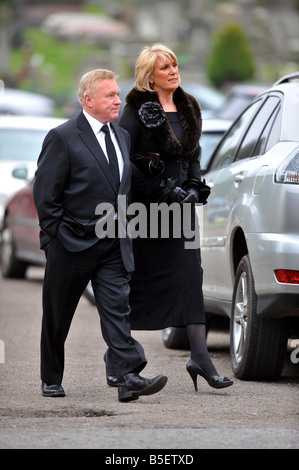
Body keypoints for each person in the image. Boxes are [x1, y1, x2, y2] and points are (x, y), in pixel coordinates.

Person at [33, 69, 167, 402]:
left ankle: (126, 376)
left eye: (118, 94)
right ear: (88, 99)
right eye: (110, 95)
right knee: (57, 314)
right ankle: (51, 377)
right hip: (71, 244)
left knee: (117, 309)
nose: (118, 101)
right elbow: (45, 194)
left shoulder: (121, 135)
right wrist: (58, 236)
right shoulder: (62, 136)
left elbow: (122, 184)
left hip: (112, 242)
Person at [115, 44, 233, 392]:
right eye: (164, 67)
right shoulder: (134, 110)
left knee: (189, 277)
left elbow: (193, 154)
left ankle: (200, 357)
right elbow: (127, 161)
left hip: (182, 211)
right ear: (150, 76)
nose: (173, 71)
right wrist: (162, 189)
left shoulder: (189, 105)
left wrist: (195, 186)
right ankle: (120, 362)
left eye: (175, 65)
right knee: (133, 285)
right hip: (146, 210)